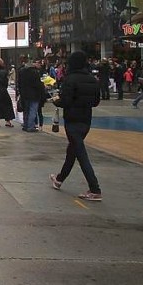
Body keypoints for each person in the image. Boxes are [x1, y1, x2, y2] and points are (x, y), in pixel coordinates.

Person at [50, 51, 103, 201]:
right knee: (72, 150)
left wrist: (56, 100)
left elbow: (65, 101)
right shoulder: (93, 80)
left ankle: (95, 189)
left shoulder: (70, 79)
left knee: (80, 154)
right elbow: (96, 102)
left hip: (72, 119)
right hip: (86, 120)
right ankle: (59, 179)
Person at [17, 59, 44, 132]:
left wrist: (19, 92)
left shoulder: (22, 71)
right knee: (33, 110)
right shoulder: (35, 72)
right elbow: (37, 84)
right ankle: (30, 126)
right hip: (34, 94)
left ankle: (25, 125)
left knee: (26, 110)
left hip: (24, 94)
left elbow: (19, 83)